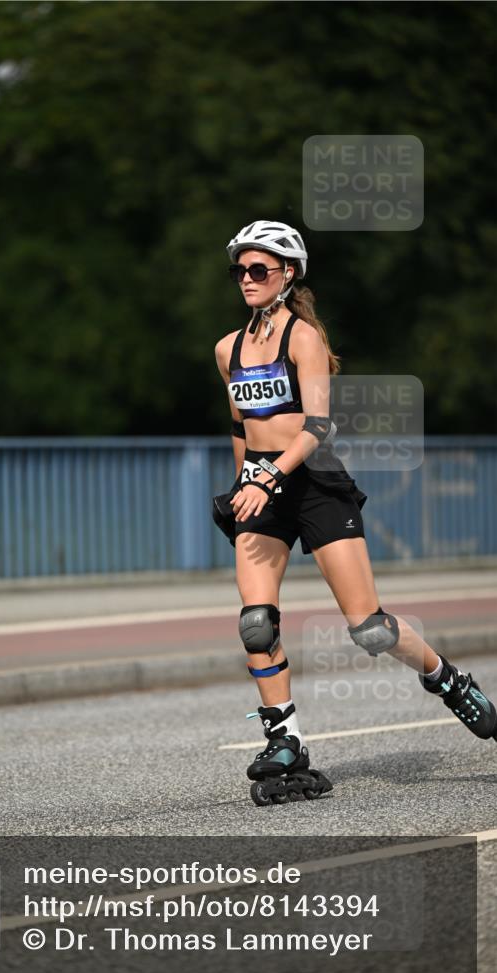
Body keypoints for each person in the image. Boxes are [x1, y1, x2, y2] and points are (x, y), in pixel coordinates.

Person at [214, 220, 497, 807]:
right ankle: (284, 740)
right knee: (256, 624)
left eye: (258, 269)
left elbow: (319, 427)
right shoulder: (227, 349)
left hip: (313, 482)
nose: (246, 279)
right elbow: (241, 427)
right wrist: (243, 483)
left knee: (369, 628)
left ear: (287, 274)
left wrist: (268, 477)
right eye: (239, 269)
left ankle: (446, 678)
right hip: (261, 488)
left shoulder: (303, 338)